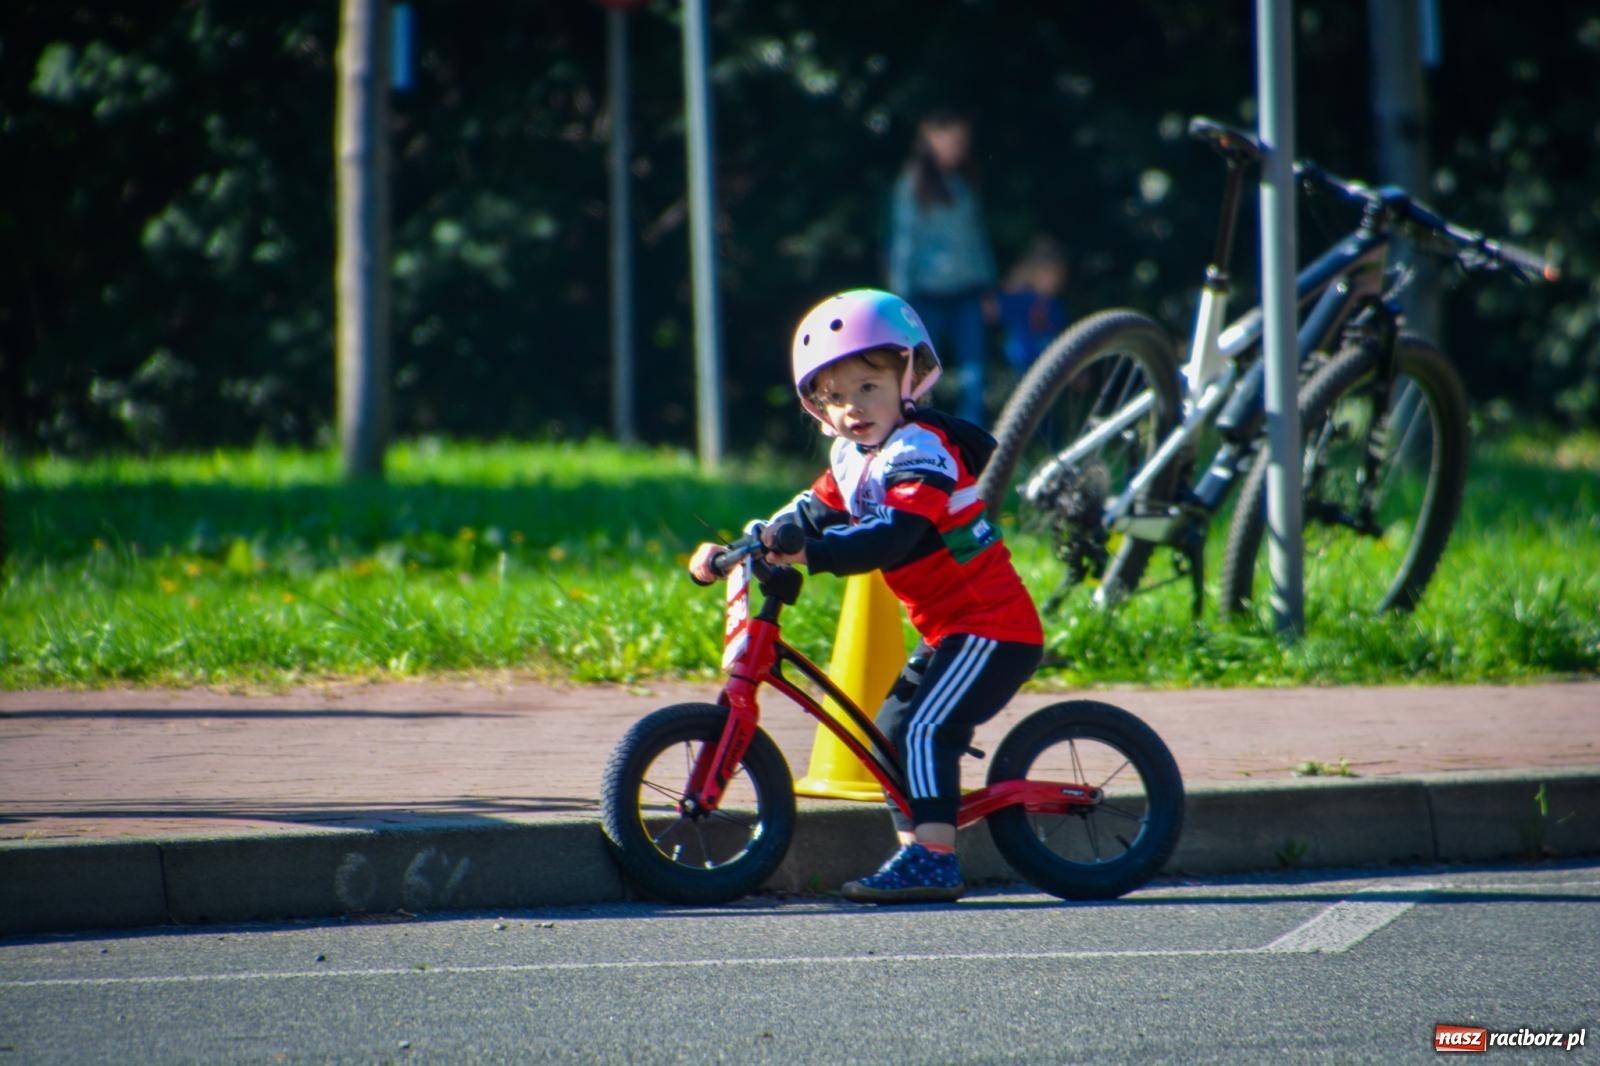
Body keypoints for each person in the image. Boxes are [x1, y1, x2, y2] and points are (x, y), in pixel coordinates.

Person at [688, 289, 1043, 903]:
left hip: (992, 626)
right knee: (892, 732)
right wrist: (740, 546)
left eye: (868, 387)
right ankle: (915, 851)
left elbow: (890, 537)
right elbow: (806, 511)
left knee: (925, 727)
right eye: (832, 396)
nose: (851, 407)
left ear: (911, 376)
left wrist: (810, 553)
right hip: (949, 631)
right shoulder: (852, 458)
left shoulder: (922, 452)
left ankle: (936, 859)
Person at [886, 110, 1000, 426]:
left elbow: (976, 239)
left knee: (974, 376)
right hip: (926, 297)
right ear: (930, 139)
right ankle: (915, 436)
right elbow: (904, 245)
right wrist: (900, 302)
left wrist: (988, 288)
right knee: (920, 375)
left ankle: (972, 442)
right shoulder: (912, 185)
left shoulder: (963, 183)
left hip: (967, 294)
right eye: (951, 139)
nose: (958, 147)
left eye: (962, 140)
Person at [997, 236, 1070, 374]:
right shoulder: (1024, 300)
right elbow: (996, 306)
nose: (1055, 282)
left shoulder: (1054, 304)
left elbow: (1061, 332)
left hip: (1047, 355)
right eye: (1049, 276)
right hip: (1024, 355)